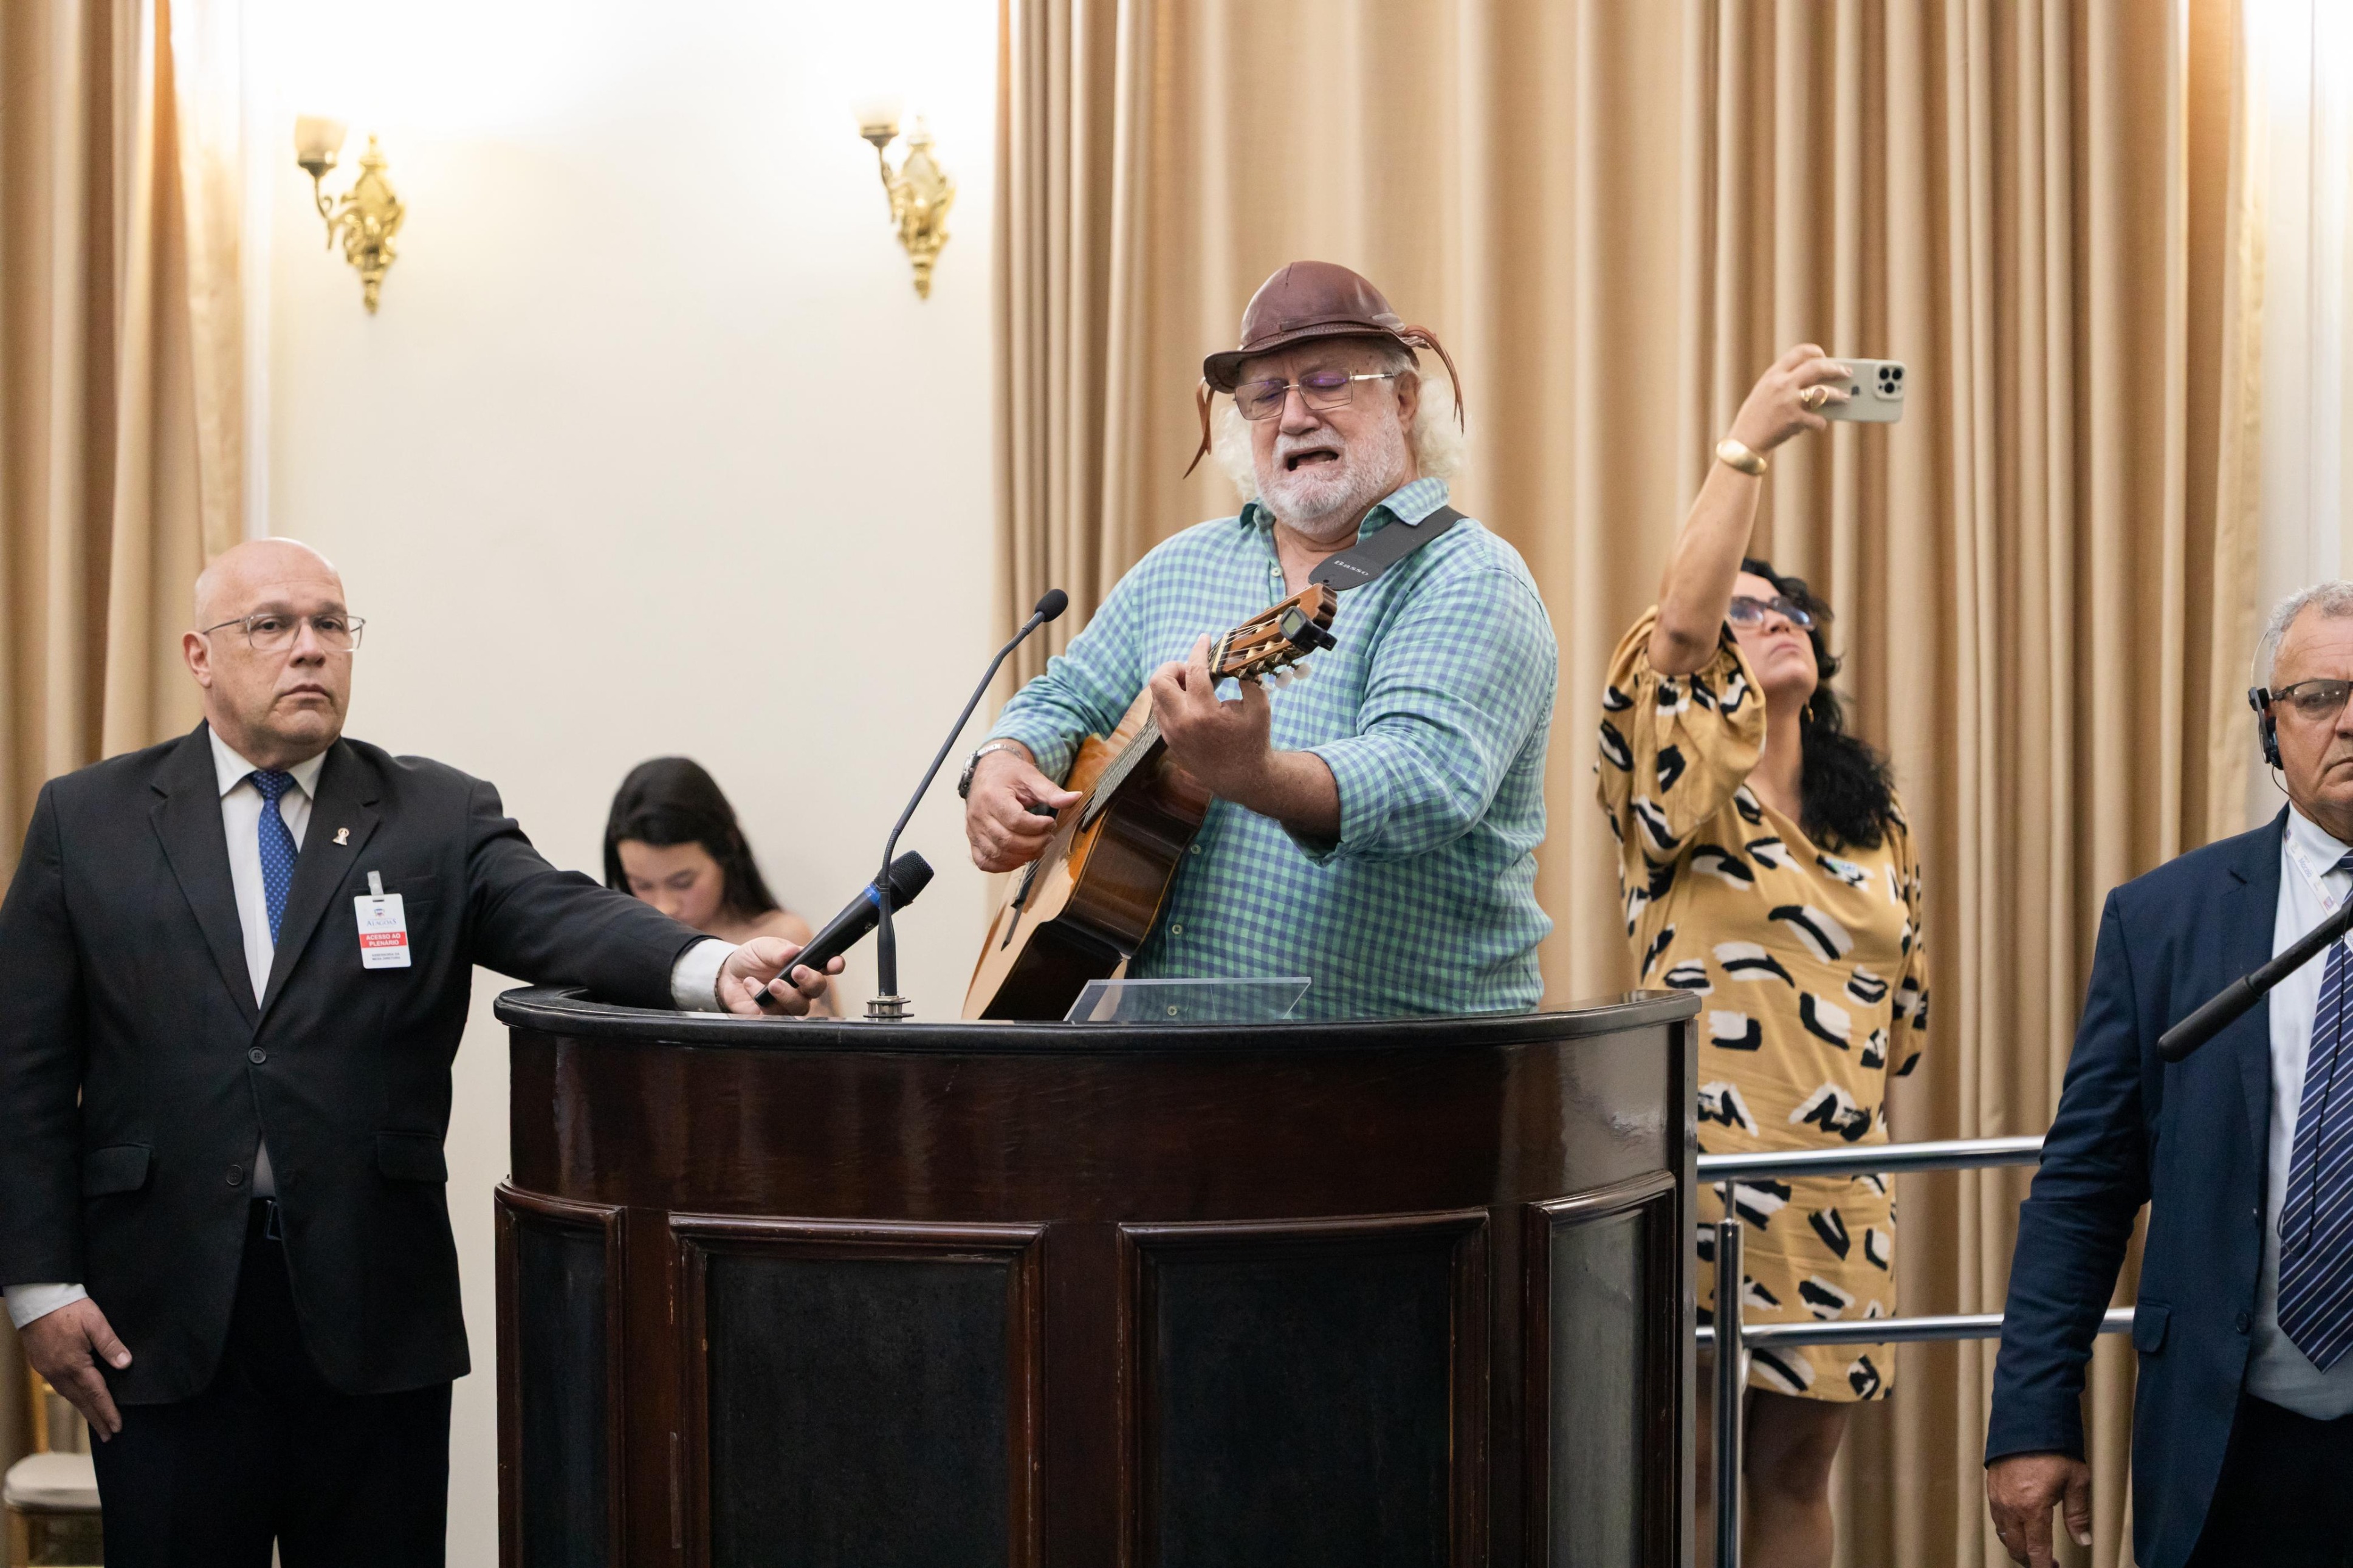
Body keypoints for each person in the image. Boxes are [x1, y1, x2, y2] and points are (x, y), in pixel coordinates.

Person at [0, 539, 834, 1568]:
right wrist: (38, 1284)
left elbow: (563, 913)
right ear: (199, 656)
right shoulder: (89, 820)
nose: (310, 649)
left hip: (370, 1312)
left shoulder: (434, 816)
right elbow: (26, 1069)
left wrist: (710, 966)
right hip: (159, 1313)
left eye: (331, 625)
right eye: (272, 626)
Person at [960, 259, 1556, 1019]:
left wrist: (1258, 774)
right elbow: (1065, 694)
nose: (1295, 415)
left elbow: (1424, 782)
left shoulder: (1470, 578)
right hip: (1169, 1076)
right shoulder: (1181, 564)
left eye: (1328, 380)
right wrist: (1002, 761)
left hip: (1398, 1082)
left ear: (1404, 398)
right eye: (1265, 394)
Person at [1596, 343, 1927, 1568]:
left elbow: (1903, 1028)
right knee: (1682, 1468)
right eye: (1742, 602)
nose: (1769, 613)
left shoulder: (1873, 828)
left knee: (1794, 1474)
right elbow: (1678, 638)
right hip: (1697, 1187)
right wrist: (1747, 445)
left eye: (1785, 605)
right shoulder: (1672, 796)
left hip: (1836, 1194)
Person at [1987, 584, 2353, 1568]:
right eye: (2318, 696)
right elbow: (2084, 1186)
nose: (2349, 720)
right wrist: (2031, 1414)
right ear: (2270, 729)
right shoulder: (2165, 921)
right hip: (2232, 1440)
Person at [604, 757, 831, 1015]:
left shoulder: (781, 941)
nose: (664, 906)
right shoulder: (619, 946)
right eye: (641, 885)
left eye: (682, 882)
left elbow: (826, 1049)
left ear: (727, 850)